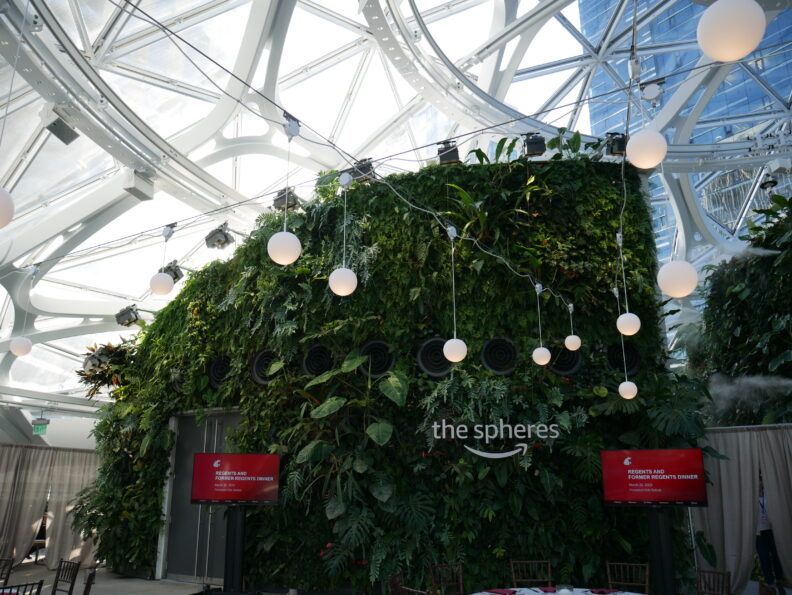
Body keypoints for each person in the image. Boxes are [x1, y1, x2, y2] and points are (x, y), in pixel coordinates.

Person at [757, 473, 786, 595]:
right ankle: (770, 582)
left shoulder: (770, 494)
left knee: (776, 554)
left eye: (762, 480)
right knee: (764, 557)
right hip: (758, 532)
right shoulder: (750, 497)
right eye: (759, 480)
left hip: (772, 530)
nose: (761, 483)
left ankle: (779, 579)